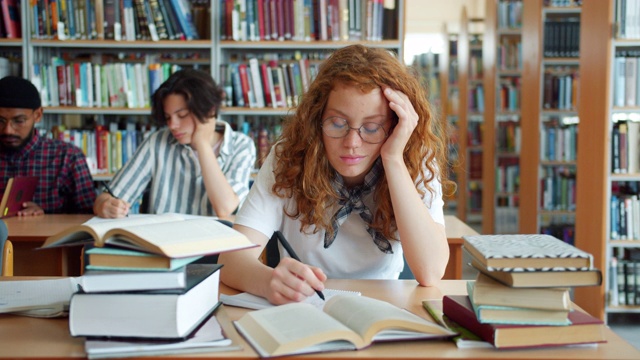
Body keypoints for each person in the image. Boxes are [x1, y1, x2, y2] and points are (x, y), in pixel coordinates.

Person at [218, 45, 455, 305]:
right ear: (316, 120)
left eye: (372, 127)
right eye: (338, 124)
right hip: (304, 305)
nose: (352, 142)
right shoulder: (288, 157)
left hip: (385, 305)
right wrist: (267, 281)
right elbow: (229, 258)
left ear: (396, 126)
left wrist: (393, 159)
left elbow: (431, 272)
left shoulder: (415, 159)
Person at [93, 69, 256, 219]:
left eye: (182, 115)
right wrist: (104, 206)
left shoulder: (241, 146)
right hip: (162, 246)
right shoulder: (157, 142)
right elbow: (106, 197)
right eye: (168, 117)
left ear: (210, 110)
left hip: (217, 248)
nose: (172, 125)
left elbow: (225, 207)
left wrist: (202, 144)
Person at [0, 76, 95, 215]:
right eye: (0, 121)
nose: (8, 130)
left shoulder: (68, 157)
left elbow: (89, 217)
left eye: (19, 121)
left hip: (51, 236)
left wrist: (45, 217)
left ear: (38, 115)